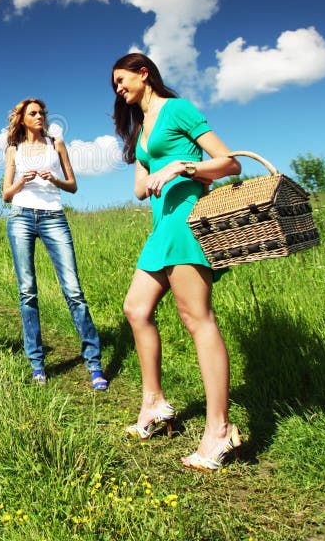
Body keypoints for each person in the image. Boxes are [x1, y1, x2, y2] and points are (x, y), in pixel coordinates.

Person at [111, 53, 242, 471]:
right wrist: (145, 166)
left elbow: (230, 162)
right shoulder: (140, 128)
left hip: (187, 223)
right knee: (135, 309)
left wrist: (182, 167)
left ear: (143, 73)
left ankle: (219, 431)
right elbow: (138, 188)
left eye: (122, 79)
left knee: (196, 318)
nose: (118, 88)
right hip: (161, 230)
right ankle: (155, 405)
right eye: (114, 85)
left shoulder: (178, 108)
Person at [2, 98, 108, 390]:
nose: (39, 116)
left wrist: (55, 179)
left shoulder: (56, 143)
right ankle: (37, 364)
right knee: (27, 292)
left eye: (41, 113)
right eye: (33, 113)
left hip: (54, 218)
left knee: (73, 290)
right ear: (22, 119)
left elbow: (73, 185)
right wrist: (21, 182)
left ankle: (94, 364)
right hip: (21, 218)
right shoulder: (13, 149)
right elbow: (5, 194)